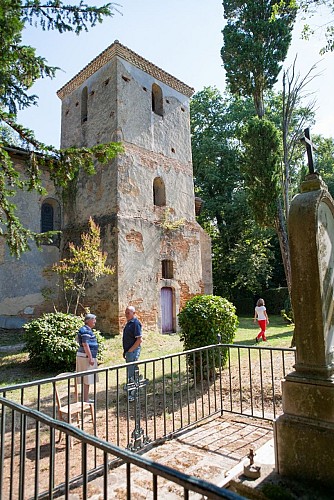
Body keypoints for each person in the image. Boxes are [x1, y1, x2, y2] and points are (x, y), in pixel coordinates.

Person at [76, 313, 99, 402]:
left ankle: (85, 398)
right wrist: (90, 357)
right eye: (94, 320)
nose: (95, 322)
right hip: (85, 357)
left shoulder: (86, 329)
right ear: (88, 321)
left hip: (85, 356)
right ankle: (85, 400)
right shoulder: (85, 330)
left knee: (86, 379)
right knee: (87, 378)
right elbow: (85, 344)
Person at [122, 306, 142, 387]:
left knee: (131, 372)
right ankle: (132, 390)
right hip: (129, 351)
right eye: (125, 313)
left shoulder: (135, 323)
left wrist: (130, 351)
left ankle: (132, 392)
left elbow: (139, 340)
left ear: (133, 313)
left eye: (128, 313)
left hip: (133, 352)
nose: (126, 315)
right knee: (130, 371)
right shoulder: (129, 323)